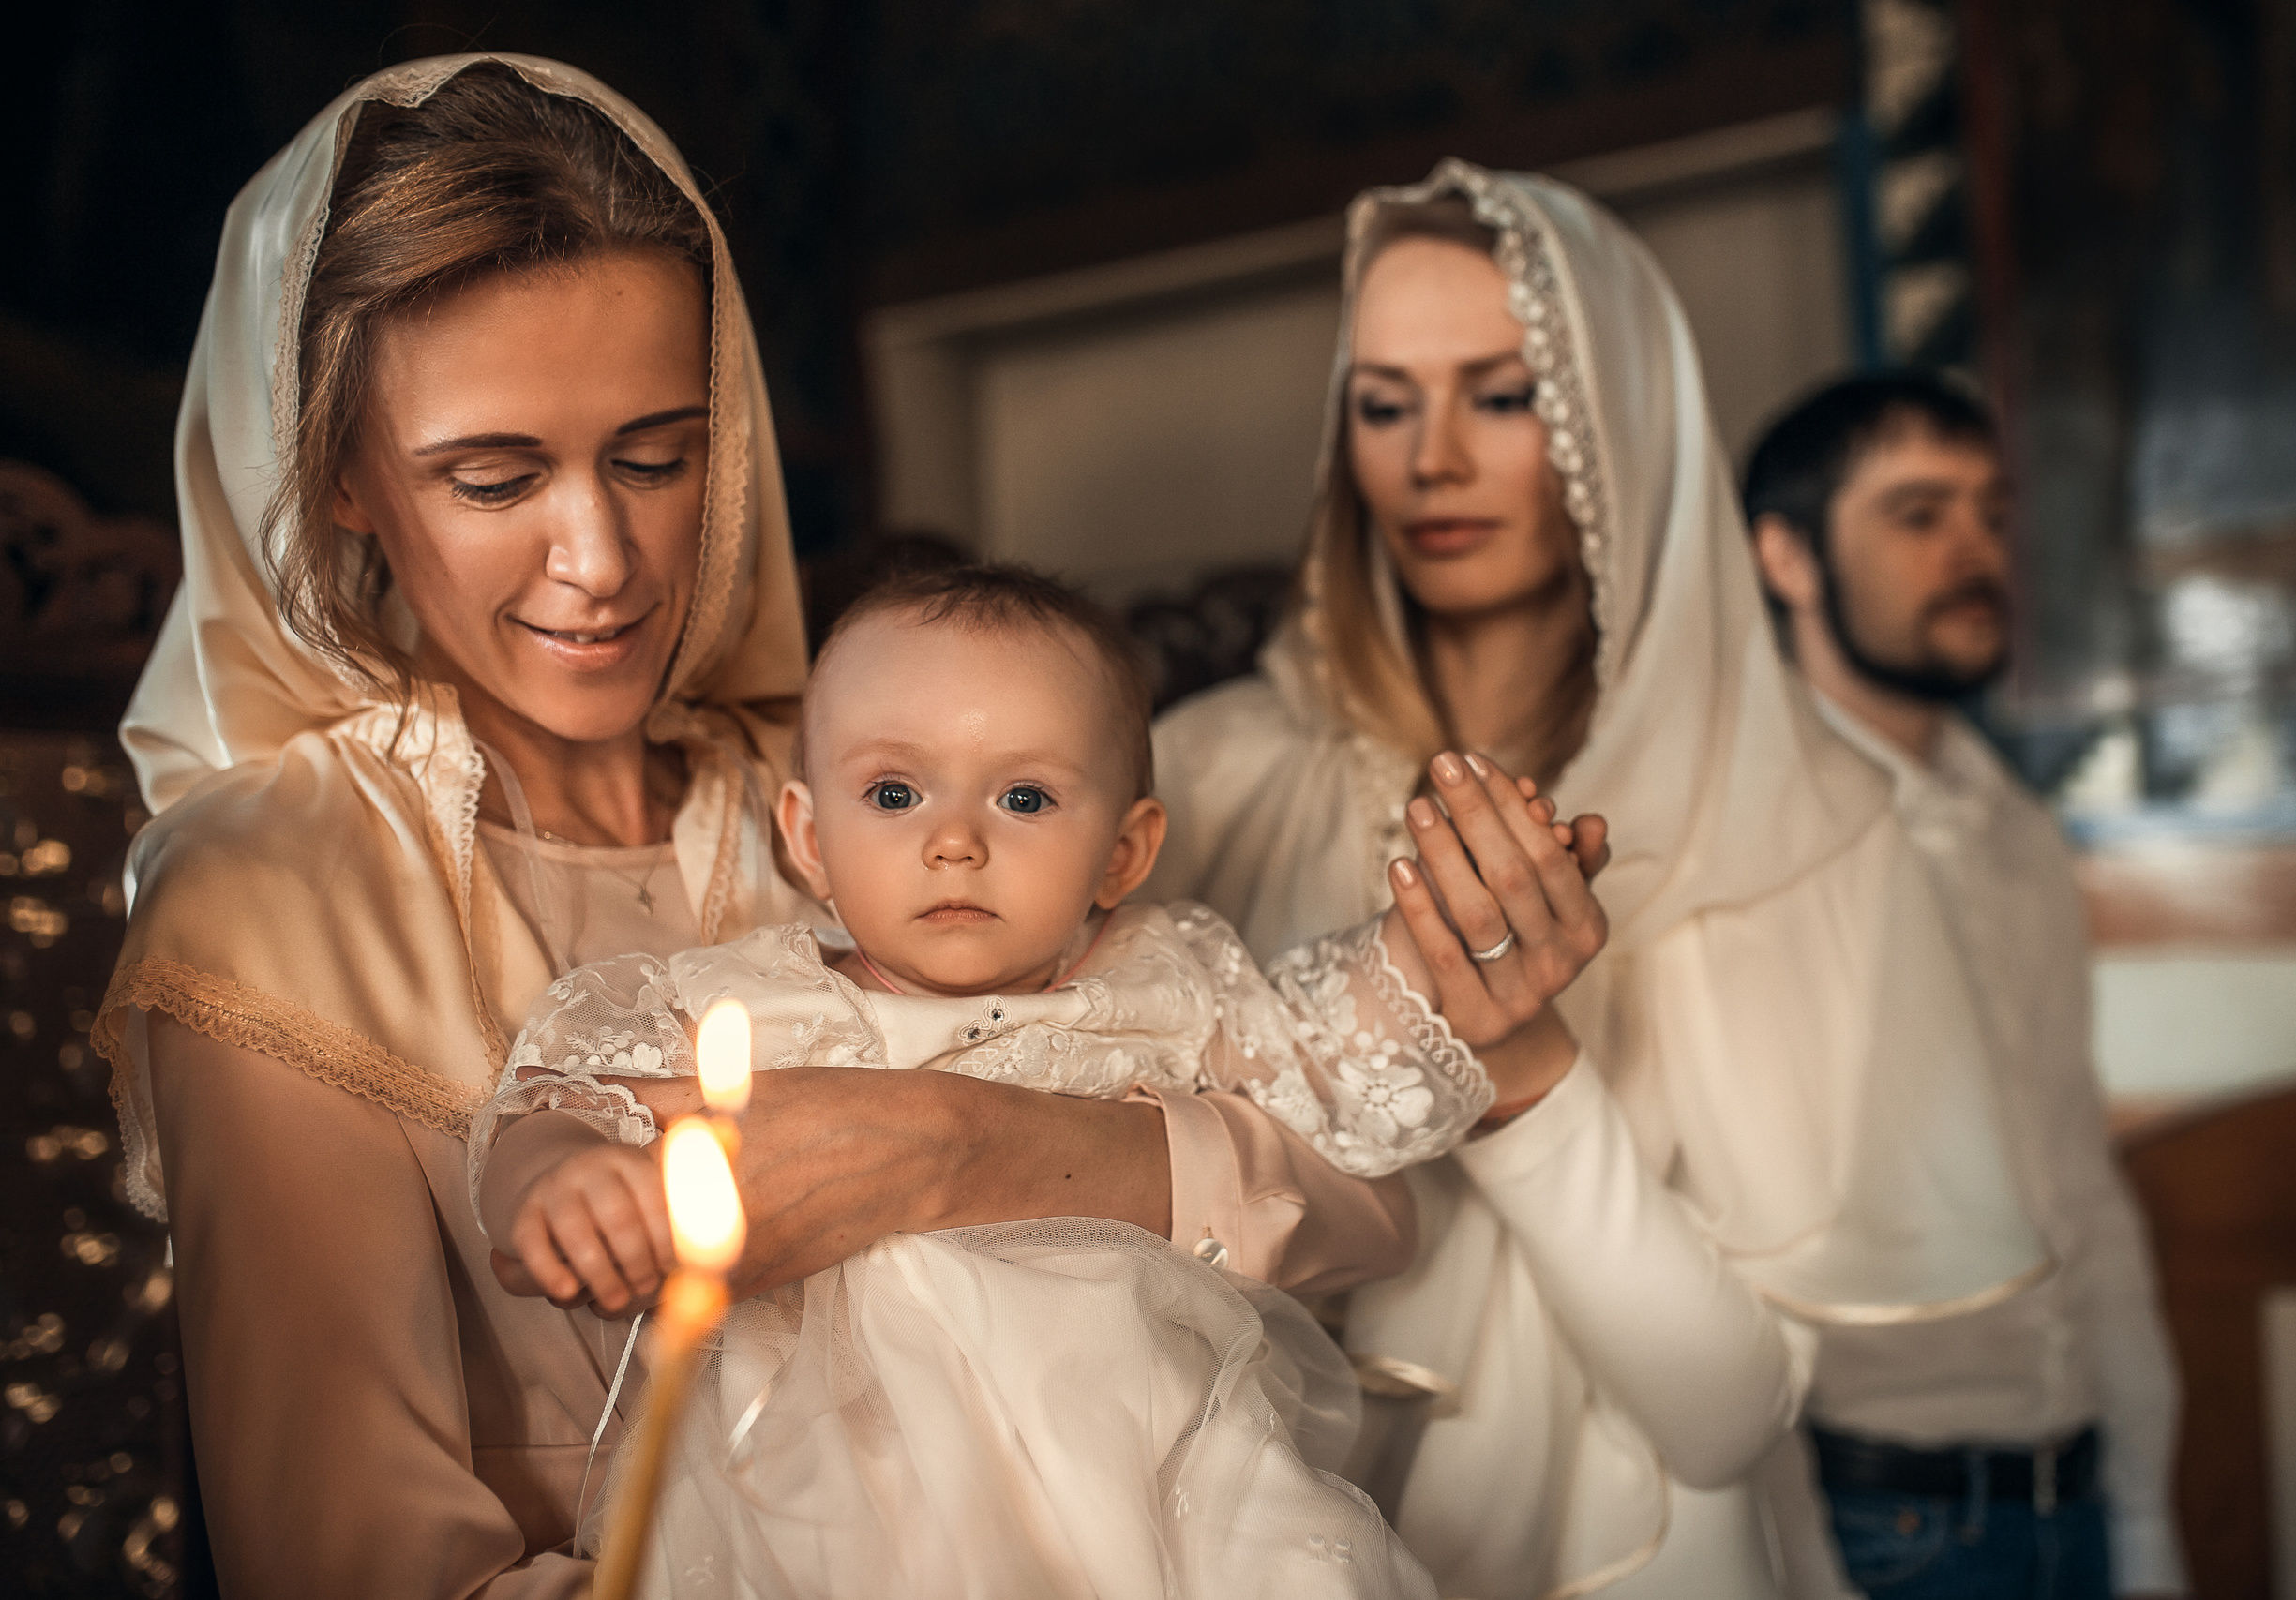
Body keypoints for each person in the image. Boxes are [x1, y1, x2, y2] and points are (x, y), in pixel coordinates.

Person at [91, 58, 1571, 1595]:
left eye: (656, 457)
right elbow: (358, 1567)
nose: (600, 557)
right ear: (336, 472)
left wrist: (959, 1149)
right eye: (494, 477)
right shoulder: (277, 889)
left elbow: (1352, 1202)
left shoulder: (866, 783)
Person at [1146, 159, 2049, 1597]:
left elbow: (1728, 1411)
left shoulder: (1796, 810)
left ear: (1616, 412)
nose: (1432, 458)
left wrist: (1525, 1075)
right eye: (1384, 403)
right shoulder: (1203, 770)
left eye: (1504, 395)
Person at [473, 564, 1611, 1596]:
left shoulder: (1158, 982)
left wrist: (1438, 947)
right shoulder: (747, 1004)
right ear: (807, 839)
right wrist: (561, 1174)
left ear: (1124, 851)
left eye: (1022, 798)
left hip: (1155, 1468)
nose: (955, 842)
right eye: (894, 794)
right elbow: (562, 1093)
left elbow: (1318, 1053)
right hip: (838, 1486)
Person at [1742, 373, 2187, 1598]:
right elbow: (1726, 1252)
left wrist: (2146, 1525)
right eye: (1918, 514)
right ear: (1786, 556)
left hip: (2076, 1496)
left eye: (1992, 513)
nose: (1974, 551)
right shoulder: (1744, 846)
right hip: (1879, 1524)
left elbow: (2078, 1182)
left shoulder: (2019, 830)